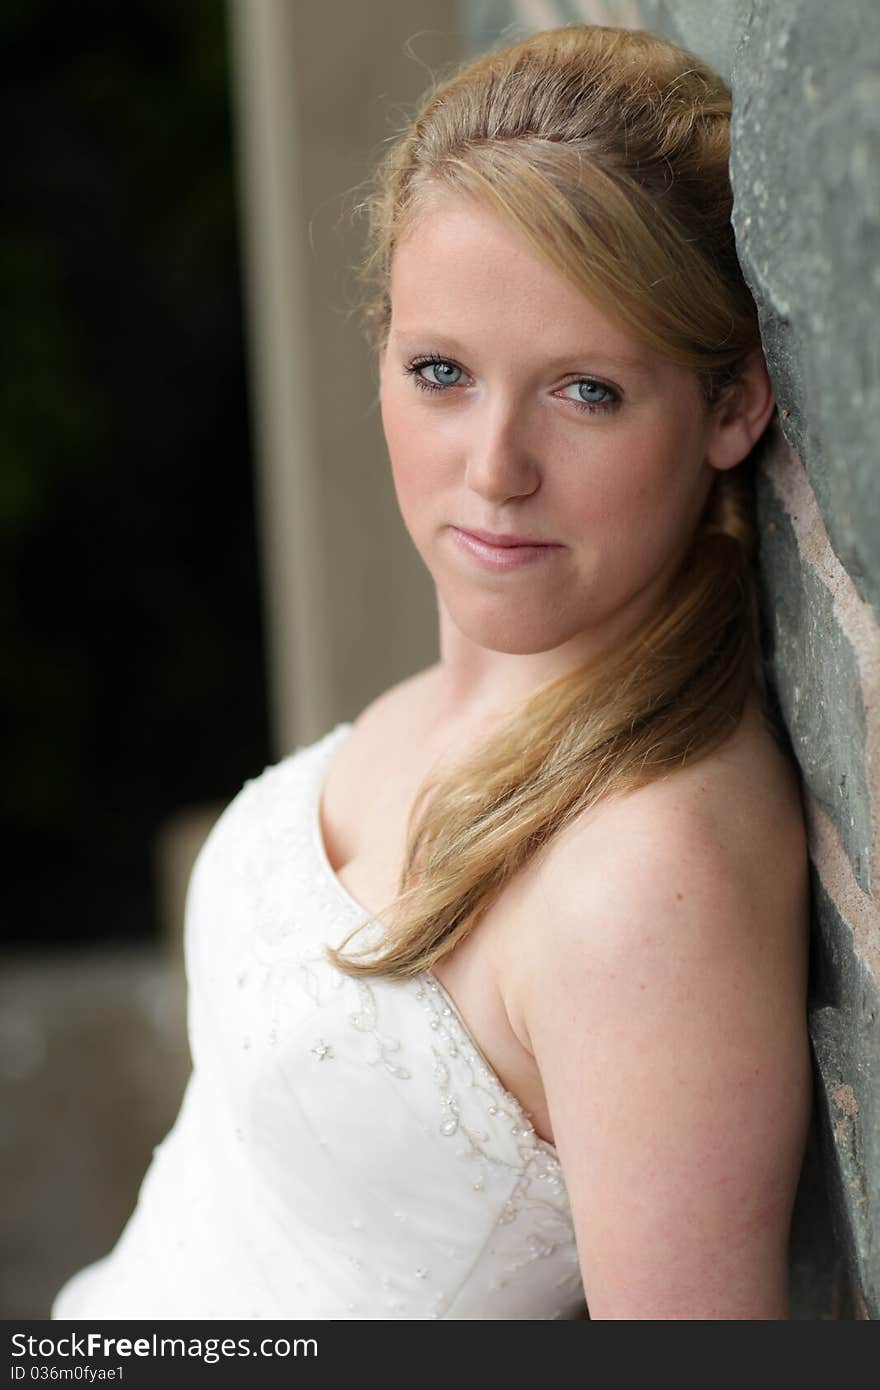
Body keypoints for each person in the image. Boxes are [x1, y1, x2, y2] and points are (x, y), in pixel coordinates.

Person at [52, 22, 811, 1321]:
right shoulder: (496, 683)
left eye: (587, 392)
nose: (494, 468)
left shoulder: (648, 880)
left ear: (733, 405)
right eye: (443, 372)